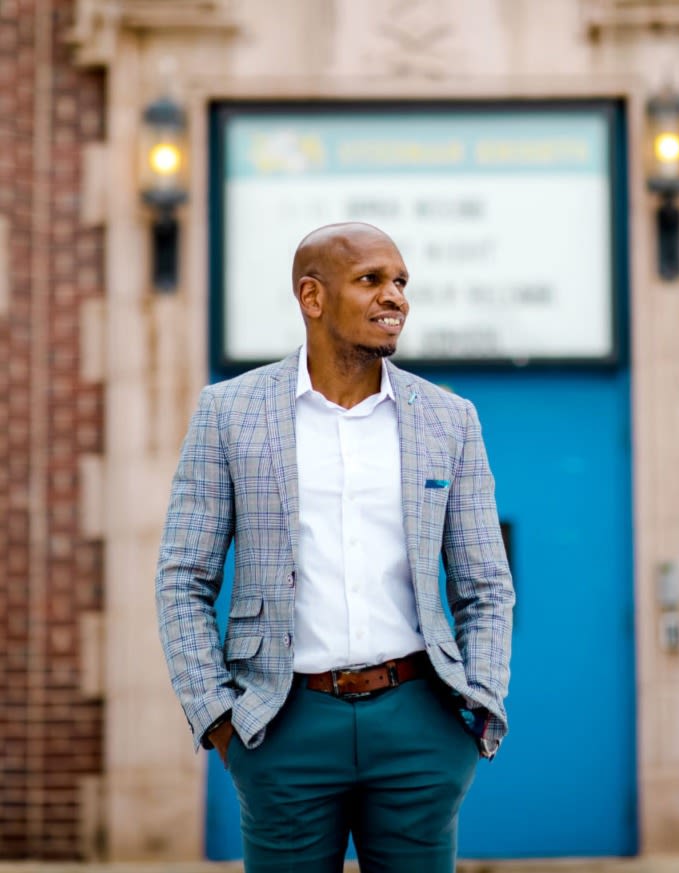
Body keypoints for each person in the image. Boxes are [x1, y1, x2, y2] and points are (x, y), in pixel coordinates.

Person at [155, 222, 514, 873]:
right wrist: (218, 719)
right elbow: (183, 576)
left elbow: (486, 583)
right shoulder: (229, 413)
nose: (395, 296)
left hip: (419, 722)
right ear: (312, 297)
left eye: (401, 281)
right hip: (283, 724)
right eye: (371, 279)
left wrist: (477, 708)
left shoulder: (448, 418)